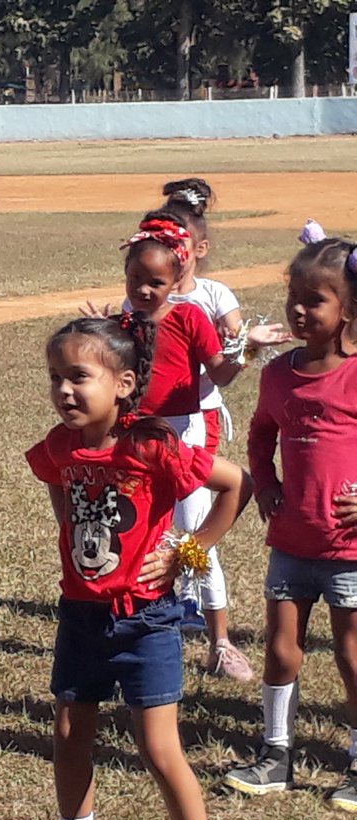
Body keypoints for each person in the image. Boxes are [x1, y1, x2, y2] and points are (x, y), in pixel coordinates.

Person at [26, 313, 250, 820]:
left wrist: (187, 551)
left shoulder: (151, 446)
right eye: (54, 378)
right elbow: (57, 481)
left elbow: (235, 485)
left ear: (123, 384)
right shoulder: (59, 445)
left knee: (157, 746)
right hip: (80, 615)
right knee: (71, 734)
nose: (64, 390)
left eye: (78, 377)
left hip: (146, 619)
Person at [224, 230, 357, 811]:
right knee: (281, 650)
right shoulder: (278, 374)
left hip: (349, 545)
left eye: (316, 299)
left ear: (349, 309)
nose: (300, 310)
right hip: (291, 540)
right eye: (293, 298)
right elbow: (259, 435)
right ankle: (275, 753)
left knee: (352, 655)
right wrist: (267, 484)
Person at [135, 185, 289, 678]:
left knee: (196, 532)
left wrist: (249, 346)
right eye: (133, 276)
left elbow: (220, 374)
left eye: (152, 277)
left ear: (182, 261)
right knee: (145, 525)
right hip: (139, 432)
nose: (140, 287)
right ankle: (147, 618)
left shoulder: (196, 312)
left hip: (188, 430)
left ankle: (220, 640)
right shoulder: (129, 317)